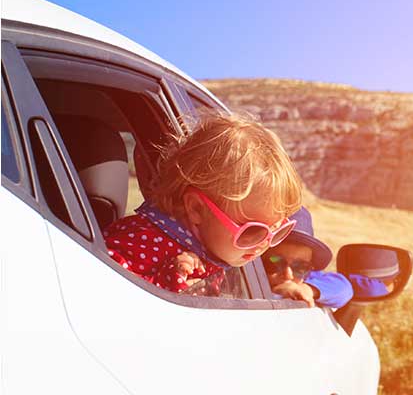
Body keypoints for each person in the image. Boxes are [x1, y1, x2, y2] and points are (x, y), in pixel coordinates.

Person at [102, 112, 303, 294]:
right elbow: (102, 288)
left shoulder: (212, 247)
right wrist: (168, 284)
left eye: (278, 231)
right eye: (251, 231)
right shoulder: (142, 240)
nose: (264, 245)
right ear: (196, 208)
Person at [262, 207, 390, 307]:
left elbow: (344, 287)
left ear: (308, 269)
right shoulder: (244, 278)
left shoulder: (305, 280)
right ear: (257, 256)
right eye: (275, 263)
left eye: (300, 267)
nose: (288, 275)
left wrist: (308, 290)